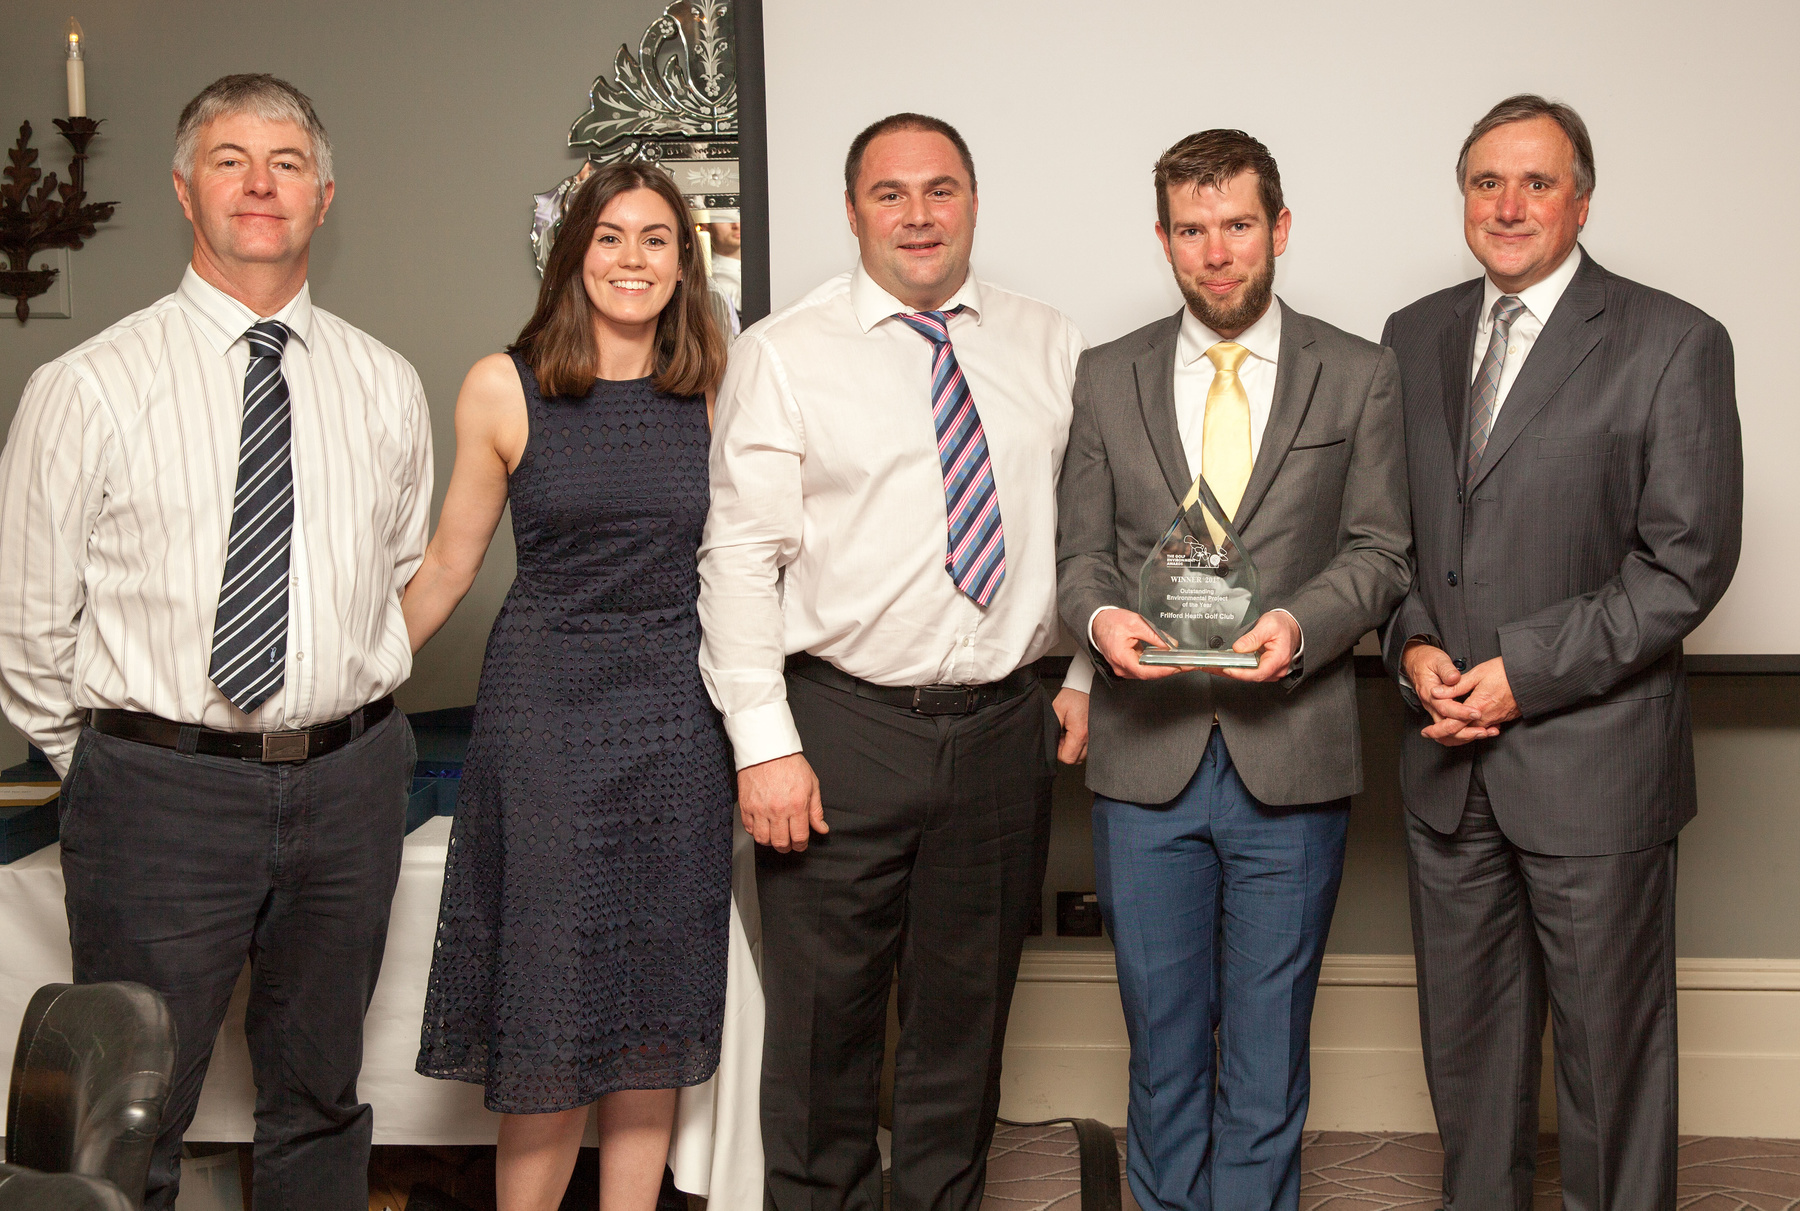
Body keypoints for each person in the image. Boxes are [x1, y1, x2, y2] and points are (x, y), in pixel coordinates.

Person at [0, 75, 430, 1210]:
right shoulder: (85, 385)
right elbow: (29, 620)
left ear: (324, 196)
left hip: (349, 779)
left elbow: (391, 580)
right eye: (230, 157)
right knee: (133, 1108)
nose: (259, 182)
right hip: (159, 793)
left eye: (286, 161)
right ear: (184, 188)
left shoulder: (385, 384)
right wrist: (106, 762)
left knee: (320, 1098)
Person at [696, 112, 1093, 1211]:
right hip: (839, 729)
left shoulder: (1049, 341)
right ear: (852, 210)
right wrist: (765, 745)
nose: (917, 215)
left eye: (941, 190)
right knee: (824, 1035)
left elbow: (1095, 534)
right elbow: (737, 563)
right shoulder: (785, 351)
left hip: (1002, 729)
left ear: (973, 201)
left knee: (963, 1031)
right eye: (890, 193)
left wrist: (1082, 676)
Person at [1381, 94, 1741, 1207]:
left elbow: (1684, 564)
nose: (1510, 204)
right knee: (1471, 1064)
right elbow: (1389, 542)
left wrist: (1522, 672)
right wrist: (1412, 647)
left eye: (1537, 181)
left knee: (1610, 1066)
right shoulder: (1413, 334)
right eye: (1488, 181)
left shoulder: (1672, 339)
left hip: (1594, 767)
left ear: (1582, 197)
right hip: (1448, 767)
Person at [1055, 130, 1410, 1208]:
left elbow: (1382, 551)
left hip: (1290, 756)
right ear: (1163, 238)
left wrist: (1299, 627)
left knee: (1267, 1051)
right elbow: (1078, 556)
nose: (1217, 252)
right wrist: (1106, 615)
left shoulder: (1358, 372)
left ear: (1280, 230)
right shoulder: (1104, 374)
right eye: (1193, 229)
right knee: (1163, 1052)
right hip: (1145, 756)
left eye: (1239, 226)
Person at [409, 162, 733, 1211]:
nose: (631, 259)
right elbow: (452, 564)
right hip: (546, 716)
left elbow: (758, 557)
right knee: (553, 1004)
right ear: (572, 254)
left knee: (651, 997)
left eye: (653, 239)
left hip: (680, 721)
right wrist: (343, 684)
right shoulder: (504, 384)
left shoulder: (719, 383)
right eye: (608, 237)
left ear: (683, 261)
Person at [706, 218, 742, 311]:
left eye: (737, 217)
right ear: (707, 227)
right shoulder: (713, 280)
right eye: (725, 219)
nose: (736, 225)